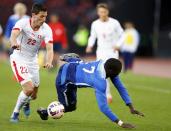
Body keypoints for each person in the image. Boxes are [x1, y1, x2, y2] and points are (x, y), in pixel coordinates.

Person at [37, 53, 144, 129]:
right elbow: (103, 108)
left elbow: (120, 86)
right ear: (111, 71)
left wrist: (131, 106)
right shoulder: (99, 82)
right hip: (64, 80)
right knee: (66, 107)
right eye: (117, 72)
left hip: (75, 67)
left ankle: (72, 59)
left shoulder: (103, 63)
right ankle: (45, 112)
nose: (118, 75)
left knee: (80, 63)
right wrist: (121, 123)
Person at [9, 3, 53, 123]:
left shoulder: (47, 29)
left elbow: (49, 48)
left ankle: (26, 102)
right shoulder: (23, 23)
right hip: (19, 58)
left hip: (33, 62)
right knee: (28, 89)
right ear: (34, 15)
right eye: (41, 16)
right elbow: (13, 35)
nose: (44, 19)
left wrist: (49, 61)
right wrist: (13, 43)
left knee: (34, 95)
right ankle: (15, 114)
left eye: (45, 16)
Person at [86, 3, 125, 103]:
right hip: (101, 51)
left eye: (104, 12)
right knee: (102, 73)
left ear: (107, 12)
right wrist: (90, 45)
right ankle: (107, 94)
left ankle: (122, 94)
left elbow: (122, 35)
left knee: (114, 74)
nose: (102, 14)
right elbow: (92, 36)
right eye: (100, 12)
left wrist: (118, 45)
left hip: (112, 51)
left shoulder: (114, 23)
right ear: (98, 12)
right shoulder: (95, 24)